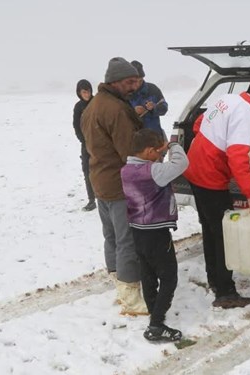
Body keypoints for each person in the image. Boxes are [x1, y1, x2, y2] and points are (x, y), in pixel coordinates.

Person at [183, 81, 250, 309]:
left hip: (195, 168)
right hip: (210, 177)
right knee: (224, 236)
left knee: (210, 229)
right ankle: (226, 293)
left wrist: (209, 149)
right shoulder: (245, 113)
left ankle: (215, 280)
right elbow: (238, 157)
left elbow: (198, 124)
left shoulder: (227, 99)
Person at [81, 57, 147, 316]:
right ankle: (130, 296)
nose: (135, 86)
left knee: (111, 236)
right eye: (130, 82)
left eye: (136, 81)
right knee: (126, 239)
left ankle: (119, 285)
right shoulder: (116, 109)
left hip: (100, 179)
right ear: (115, 82)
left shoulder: (94, 105)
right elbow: (129, 152)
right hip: (119, 184)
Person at [121, 129, 188, 342]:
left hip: (137, 231)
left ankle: (153, 311)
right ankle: (156, 325)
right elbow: (181, 164)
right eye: (158, 153)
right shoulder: (153, 171)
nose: (161, 157)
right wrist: (172, 146)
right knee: (169, 276)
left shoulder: (125, 170)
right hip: (156, 232)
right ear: (149, 151)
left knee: (148, 273)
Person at [73, 79, 97, 211]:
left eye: (88, 91)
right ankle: (91, 200)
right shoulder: (78, 107)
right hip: (86, 144)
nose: (87, 94)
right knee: (87, 171)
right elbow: (76, 126)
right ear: (79, 93)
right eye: (84, 92)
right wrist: (84, 140)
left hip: (100, 144)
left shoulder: (97, 103)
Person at [129, 60, 168, 139]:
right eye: (135, 81)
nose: (138, 84)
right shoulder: (124, 93)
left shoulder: (153, 89)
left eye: (140, 80)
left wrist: (154, 108)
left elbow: (164, 107)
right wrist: (133, 111)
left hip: (154, 138)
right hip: (133, 140)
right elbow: (116, 114)